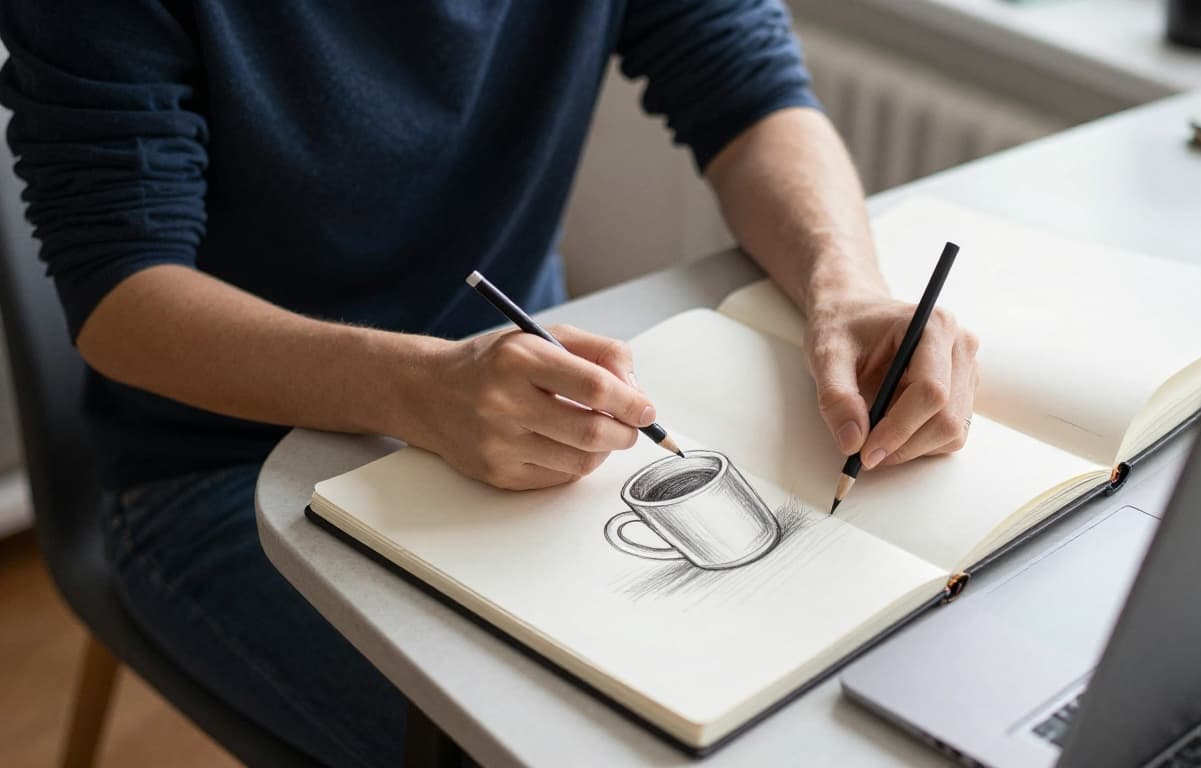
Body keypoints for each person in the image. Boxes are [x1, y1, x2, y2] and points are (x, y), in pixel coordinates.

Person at [0, 2, 980, 765]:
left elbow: (747, 83)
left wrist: (845, 287)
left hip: (543, 417)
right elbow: (119, 293)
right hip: (229, 463)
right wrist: (416, 391)